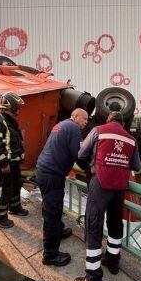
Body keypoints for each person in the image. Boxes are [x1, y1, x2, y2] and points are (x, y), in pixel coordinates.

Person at [74, 111, 140, 281]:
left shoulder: (98, 130)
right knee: (115, 223)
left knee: (93, 225)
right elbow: (136, 166)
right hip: (120, 187)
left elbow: (81, 153)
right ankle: (113, 261)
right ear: (123, 124)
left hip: (100, 183)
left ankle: (93, 279)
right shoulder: (131, 139)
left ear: (108, 120)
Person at [35, 108, 89, 267]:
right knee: (52, 213)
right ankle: (50, 254)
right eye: (84, 119)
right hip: (52, 174)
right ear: (76, 116)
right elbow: (79, 154)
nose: (86, 123)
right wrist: (89, 169)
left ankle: (58, 231)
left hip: (44, 170)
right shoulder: (74, 129)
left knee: (52, 207)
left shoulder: (61, 125)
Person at [0, 92, 28, 229]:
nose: (19, 110)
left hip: (13, 162)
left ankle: (15, 207)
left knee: (16, 185)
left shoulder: (9, 119)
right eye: (17, 107)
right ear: (11, 107)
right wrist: (3, 164)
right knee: (4, 189)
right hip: (3, 164)